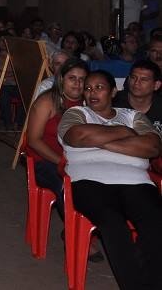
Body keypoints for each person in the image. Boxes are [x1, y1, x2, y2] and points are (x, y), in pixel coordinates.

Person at [59, 70, 162, 290]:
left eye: (99, 87)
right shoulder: (76, 113)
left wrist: (99, 142)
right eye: (88, 88)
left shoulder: (133, 116)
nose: (92, 93)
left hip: (136, 182)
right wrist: (125, 132)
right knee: (112, 223)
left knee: (155, 220)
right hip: (88, 181)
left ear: (113, 92)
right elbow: (78, 136)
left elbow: (152, 146)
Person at [26, 58, 88, 218]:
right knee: (69, 187)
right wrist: (63, 162)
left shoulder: (88, 103)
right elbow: (33, 140)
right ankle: (73, 227)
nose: (77, 83)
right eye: (72, 78)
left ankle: (85, 224)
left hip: (77, 159)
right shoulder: (47, 101)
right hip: (45, 160)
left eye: (82, 79)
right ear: (61, 79)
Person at [113, 60, 162, 133]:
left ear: (156, 85)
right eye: (133, 77)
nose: (136, 83)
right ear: (128, 79)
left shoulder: (160, 105)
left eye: (144, 79)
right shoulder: (113, 102)